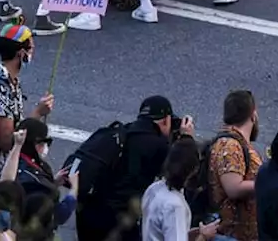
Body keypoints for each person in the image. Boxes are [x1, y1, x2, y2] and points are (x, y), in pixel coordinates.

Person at [75, 96, 195, 241]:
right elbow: (181, 167)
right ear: (165, 120)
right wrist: (186, 138)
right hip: (117, 221)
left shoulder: (122, 132)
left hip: (88, 213)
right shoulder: (159, 146)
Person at [0, 25, 55, 210]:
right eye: (31, 47)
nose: (33, 52)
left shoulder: (10, 79)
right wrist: (38, 114)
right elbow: (7, 141)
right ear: (20, 53)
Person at [141, 137, 221, 240]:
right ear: (194, 170)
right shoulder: (176, 207)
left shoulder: (154, 189)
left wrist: (187, 232)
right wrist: (204, 236)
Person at [207, 91, 261, 241]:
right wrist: (267, 183)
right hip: (233, 234)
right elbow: (233, 188)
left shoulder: (237, 143)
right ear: (253, 115)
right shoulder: (230, 146)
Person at [14, 118, 77, 239]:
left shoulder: (16, 162)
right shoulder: (32, 182)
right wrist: (74, 191)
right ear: (33, 144)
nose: (46, 146)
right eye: (43, 142)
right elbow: (58, 215)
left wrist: (53, 183)